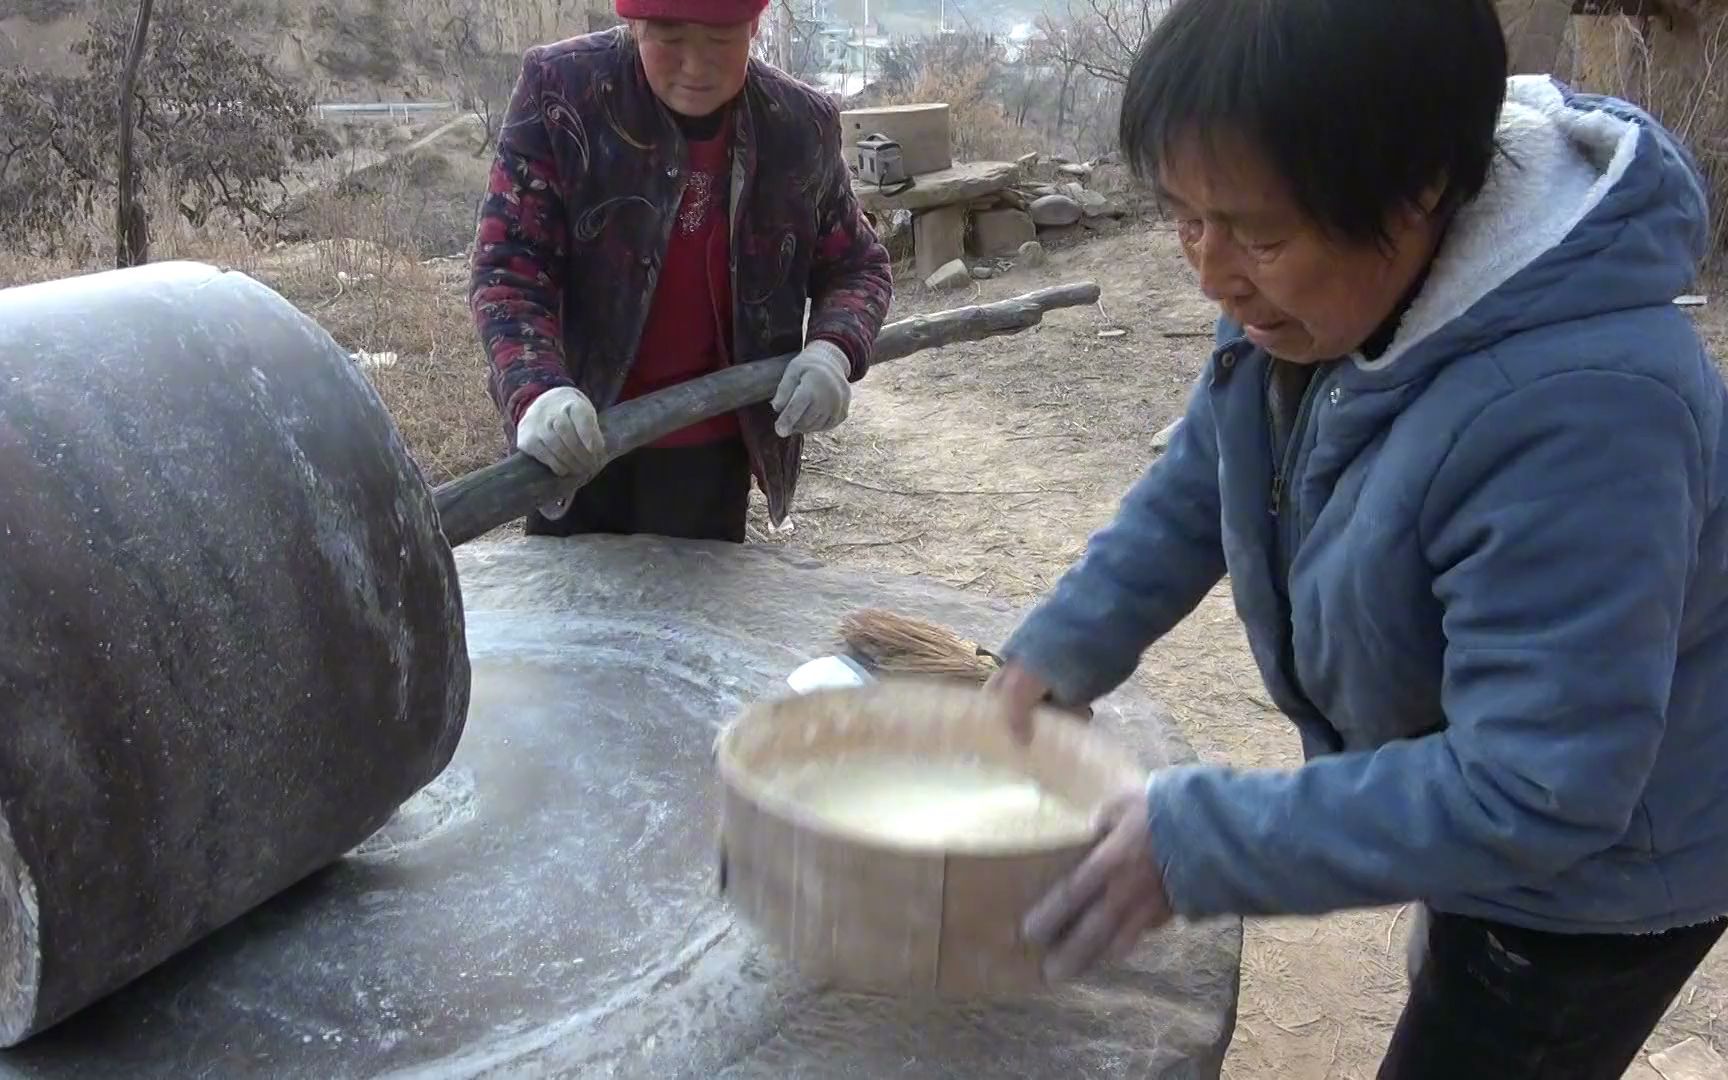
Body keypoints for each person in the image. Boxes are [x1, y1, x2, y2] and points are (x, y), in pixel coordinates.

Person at [984, 1, 1728, 1076]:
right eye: (1183, 217)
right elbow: (1207, 473)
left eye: (1256, 233)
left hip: (1606, 874)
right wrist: (1061, 648)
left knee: (1493, 1027)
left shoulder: (1587, 410)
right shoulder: (1322, 275)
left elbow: (1534, 788)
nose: (1212, 272)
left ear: (1420, 188)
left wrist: (1195, 839)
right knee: (1463, 937)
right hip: (1501, 799)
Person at [469, 0, 892, 543]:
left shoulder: (799, 125)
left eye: (721, 42)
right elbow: (508, 265)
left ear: (754, 27)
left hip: (713, 447)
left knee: (698, 621)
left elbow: (858, 265)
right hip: (575, 436)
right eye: (668, 39)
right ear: (634, 24)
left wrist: (833, 349)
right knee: (572, 619)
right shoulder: (562, 91)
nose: (696, 67)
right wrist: (536, 390)